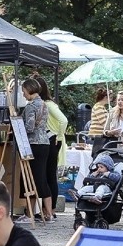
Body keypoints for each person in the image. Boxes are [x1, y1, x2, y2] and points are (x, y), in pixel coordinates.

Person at [17, 78, 54, 223]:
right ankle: (48, 214)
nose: (23, 94)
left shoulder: (31, 106)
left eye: (24, 91)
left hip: (33, 144)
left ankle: (30, 213)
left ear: (29, 90)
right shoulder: (44, 104)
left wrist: (17, 128)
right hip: (44, 143)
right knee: (41, 178)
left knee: (29, 179)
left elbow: (30, 127)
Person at [35, 76, 68, 221]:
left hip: (52, 140)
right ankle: (48, 209)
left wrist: (58, 137)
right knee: (49, 176)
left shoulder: (47, 104)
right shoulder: (46, 103)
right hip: (51, 139)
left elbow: (63, 120)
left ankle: (51, 209)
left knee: (49, 176)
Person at [88, 87, 111, 158]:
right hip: (97, 137)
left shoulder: (102, 107)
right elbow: (103, 122)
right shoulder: (98, 107)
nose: (111, 99)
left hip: (100, 137)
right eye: (110, 96)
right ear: (105, 97)